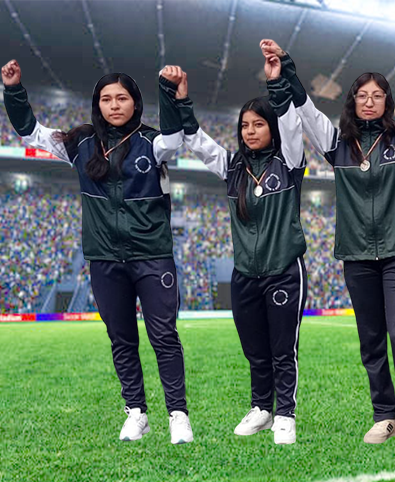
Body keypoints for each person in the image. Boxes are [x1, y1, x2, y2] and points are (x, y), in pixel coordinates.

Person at [258, 32, 395, 453]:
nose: (369, 101)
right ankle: (384, 416)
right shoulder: (337, 146)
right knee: (371, 341)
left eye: (377, 95)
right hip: (356, 256)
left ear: (387, 103)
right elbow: (304, 108)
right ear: (352, 101)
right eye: (362, 95)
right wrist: (282, 71)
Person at [1, 60, 193, 444]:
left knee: (164, 336)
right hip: (104, 259)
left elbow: (176, 140)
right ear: (97, 104)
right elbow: (31, 132)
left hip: (152, 256)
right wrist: (14, 90)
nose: (114, 105)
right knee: (121, 339)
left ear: (135, 103)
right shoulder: (80, 144)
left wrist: (170, 93)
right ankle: (136, 412)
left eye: (122, 98)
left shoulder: (153, 142)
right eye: (106, 99)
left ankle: (178, 415)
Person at [158, 55, 307, 445]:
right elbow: (197, 141)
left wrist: (277, 84)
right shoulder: (232, 167)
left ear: (271, 127)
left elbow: (292, 125)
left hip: (283, 272)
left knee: (282, 350)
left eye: (259, 124)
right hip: (244, 275)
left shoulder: (289, 163)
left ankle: (285, 415)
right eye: (245, 125)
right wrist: (182, 100)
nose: (250, 131)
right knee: (255, 350)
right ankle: (261, 408)